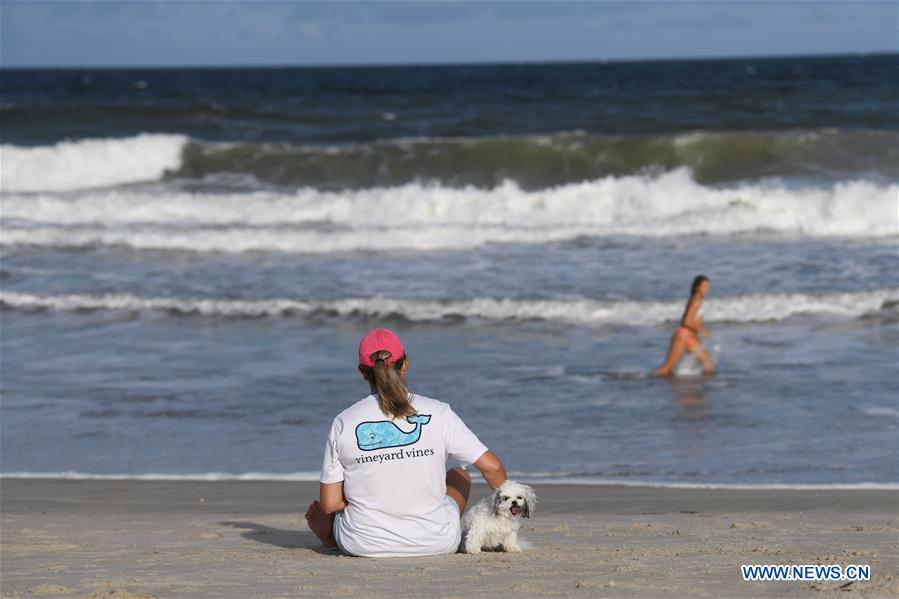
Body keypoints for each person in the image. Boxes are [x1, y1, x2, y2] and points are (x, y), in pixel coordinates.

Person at [304, 328, 507, 557]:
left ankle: (332, 537)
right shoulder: (439, 412)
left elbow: (330, 504)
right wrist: (504, 514)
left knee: (347, 489)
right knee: (460, 474)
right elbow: (493, 468)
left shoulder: (344, 421)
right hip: (438, 542)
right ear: (405, 365)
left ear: (362, 373)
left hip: (363, 544)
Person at [652, 275, 715, 376]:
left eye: (708, 287)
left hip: (690, 337)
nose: (707, 289)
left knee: (709, 365)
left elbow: (693, 321)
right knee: (666, 369)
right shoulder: (696, 300)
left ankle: (699, 389)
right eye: (704, 286)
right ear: (696, 288)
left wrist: (697, 335)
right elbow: (687, 321)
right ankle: (644, 383)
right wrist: (702, 330)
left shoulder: (698, 300)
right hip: (683, 335)